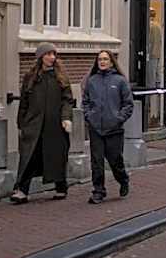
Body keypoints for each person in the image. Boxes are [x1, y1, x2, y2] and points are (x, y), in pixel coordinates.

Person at [11, 43, 74, 203]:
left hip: (55, 125)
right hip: (34, 125)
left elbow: (67, 100)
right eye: (48, 54)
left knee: (56, 156)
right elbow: (24, 102)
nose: (52, 57)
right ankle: (21, 190)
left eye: (54, 54)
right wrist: (21, 124)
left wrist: (66, 118)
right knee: (29, 157)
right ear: (40, 57)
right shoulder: (30, 77)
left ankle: (61, 187)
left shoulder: (61, 77)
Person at [82, 49, 134, 204]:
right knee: (96, 161)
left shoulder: (120, 81)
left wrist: (118, 119)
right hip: (96, 128)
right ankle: (98, 191)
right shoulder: (91, 81)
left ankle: (123, 179)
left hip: (114, 129)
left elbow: (128, 104)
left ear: (111, 62)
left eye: (105, 59)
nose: (102, 62)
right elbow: (85, 102)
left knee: (115, 161)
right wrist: (89, 116)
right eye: (100, 59)